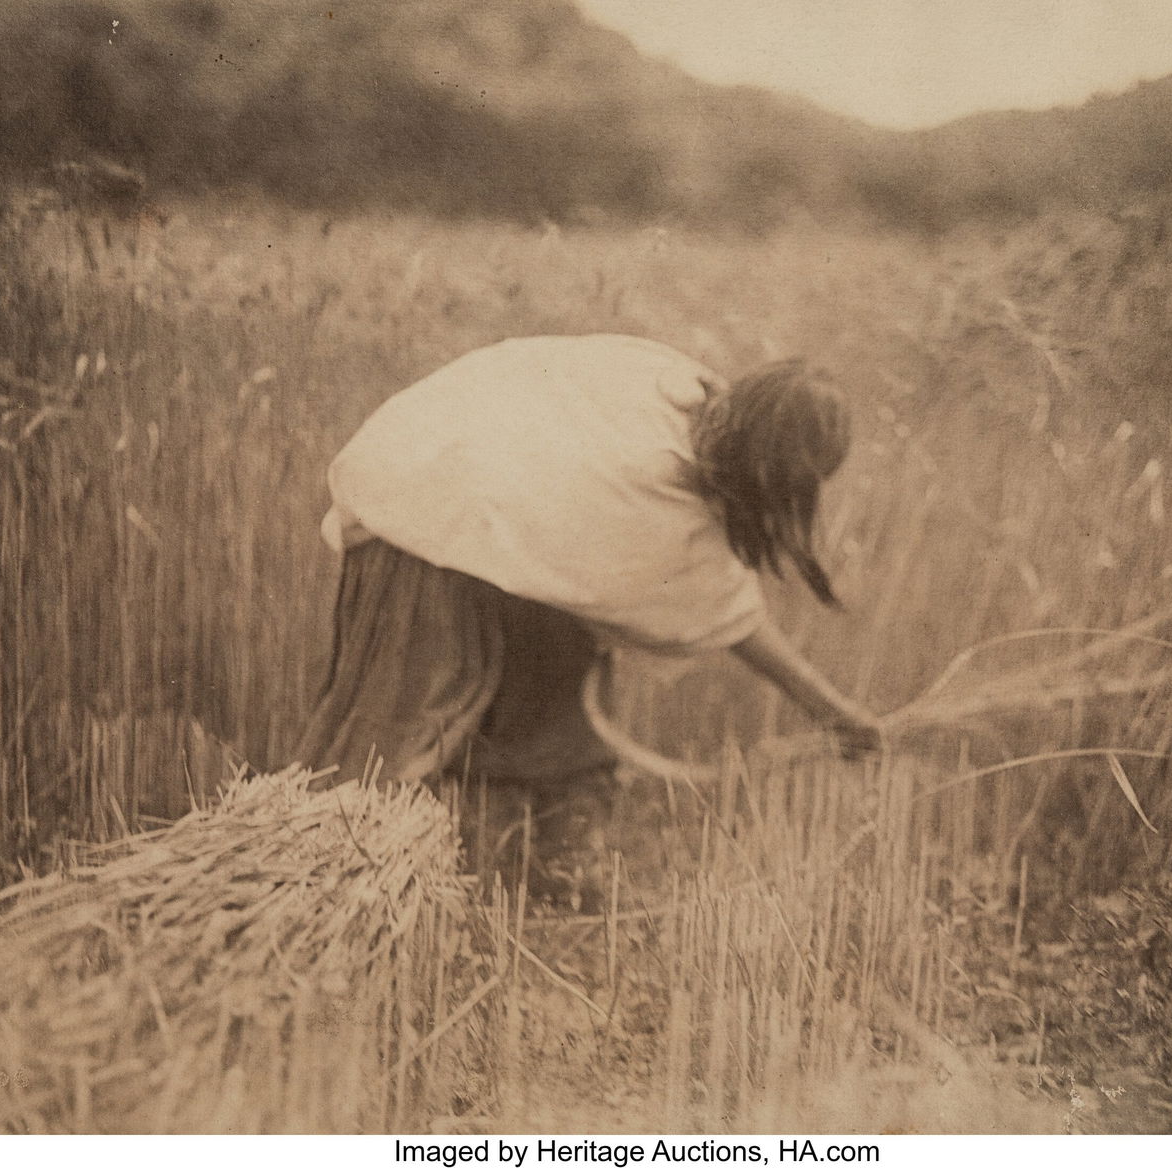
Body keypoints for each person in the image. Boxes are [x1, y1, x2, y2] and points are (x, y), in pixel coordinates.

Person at [295, 334, 883, 895]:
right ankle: (327, 876)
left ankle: (543, 868)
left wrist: (836, 713)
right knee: (393, 740)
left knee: (557, 669)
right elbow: (732, 619)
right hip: (423, 507)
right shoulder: (650, 492)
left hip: (454, 468)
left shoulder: (674, 384)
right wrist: (833, 711)